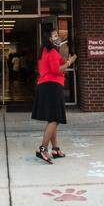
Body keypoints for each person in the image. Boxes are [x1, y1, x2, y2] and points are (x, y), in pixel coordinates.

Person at [31, 28, 76, 163]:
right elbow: (57, 70)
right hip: (51, 87)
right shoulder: (50, 52)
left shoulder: (46, 52)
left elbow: (56, 66)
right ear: (49, 39)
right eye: (55, 36)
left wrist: (64, 59)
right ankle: (42, 149)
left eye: (58, 35)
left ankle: (55, 149)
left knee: (52, 118)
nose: (58, 37)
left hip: (46, 86)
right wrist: (70, 62)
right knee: (55, 118)